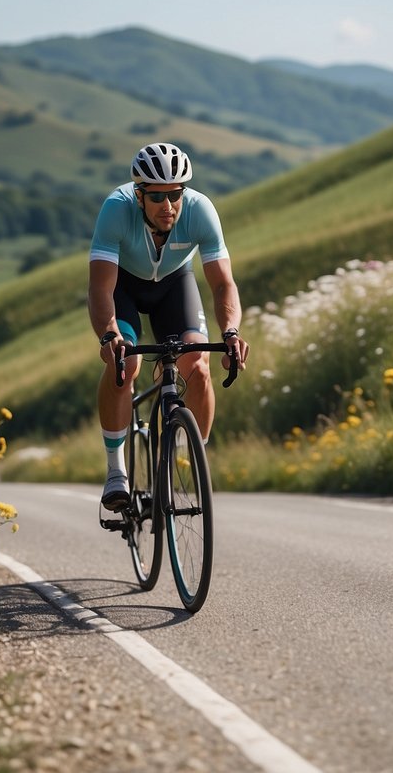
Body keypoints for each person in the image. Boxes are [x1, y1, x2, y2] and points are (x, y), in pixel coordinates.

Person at [88, 142, 250, 511]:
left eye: (175, 194)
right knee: (123, 365)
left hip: (175, 287)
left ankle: (187, 454)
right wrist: (110, 334)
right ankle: (116, 470)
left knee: (198, 366)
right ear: (139, 194)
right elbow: (101, 288)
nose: (168, 205)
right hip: (124, 288)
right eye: (157, 196)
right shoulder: (116, 209)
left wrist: (231, 333)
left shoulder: (200, 210)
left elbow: (223, 284)